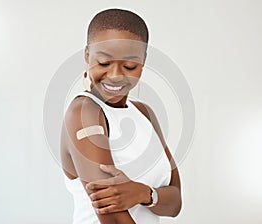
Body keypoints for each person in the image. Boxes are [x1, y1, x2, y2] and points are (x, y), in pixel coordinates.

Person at [60, 8, 182, 224]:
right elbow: (112, 217)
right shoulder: (84, 112)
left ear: (143, 61)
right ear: (87, 55)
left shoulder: (145, 113)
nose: (116, 75)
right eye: (104, 63)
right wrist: (151, 195)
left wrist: (142, 193)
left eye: (129, 65)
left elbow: (174, 203)